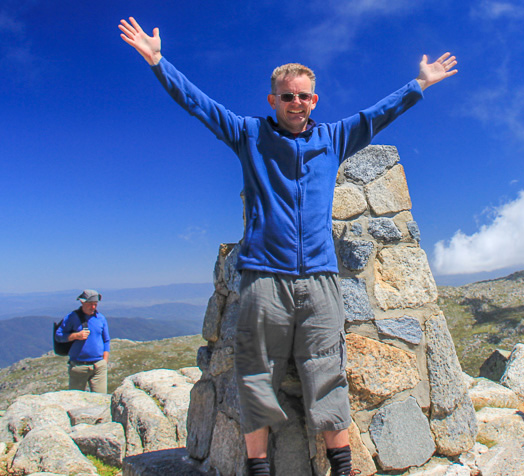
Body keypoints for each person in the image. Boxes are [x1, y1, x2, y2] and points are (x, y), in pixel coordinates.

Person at [119, 16, 458, 476]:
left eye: (303, 96)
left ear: (313, 100)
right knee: (256, 374)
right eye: (287, 96)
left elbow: (378, 114)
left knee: (329, 376)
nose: (295, 103)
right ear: (272, 100)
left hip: (319, 281)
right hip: (265, 281)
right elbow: (199, 105)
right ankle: (258, 469)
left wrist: (419, 83)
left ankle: (341, 467)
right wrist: (159, 63)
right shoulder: (249, 135)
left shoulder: (333, 138)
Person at [55, 289, 111, 393]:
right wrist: (75, 336)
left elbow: (106, 340)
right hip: (78, 366)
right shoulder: (72, 317)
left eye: (95, 304)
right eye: (90, 304)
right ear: (82, 302)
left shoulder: (101, 318)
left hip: (98, 366)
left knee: (101, 399)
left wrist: (105, 360)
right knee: (75, 400)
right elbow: (58, 336)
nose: (93, 307)